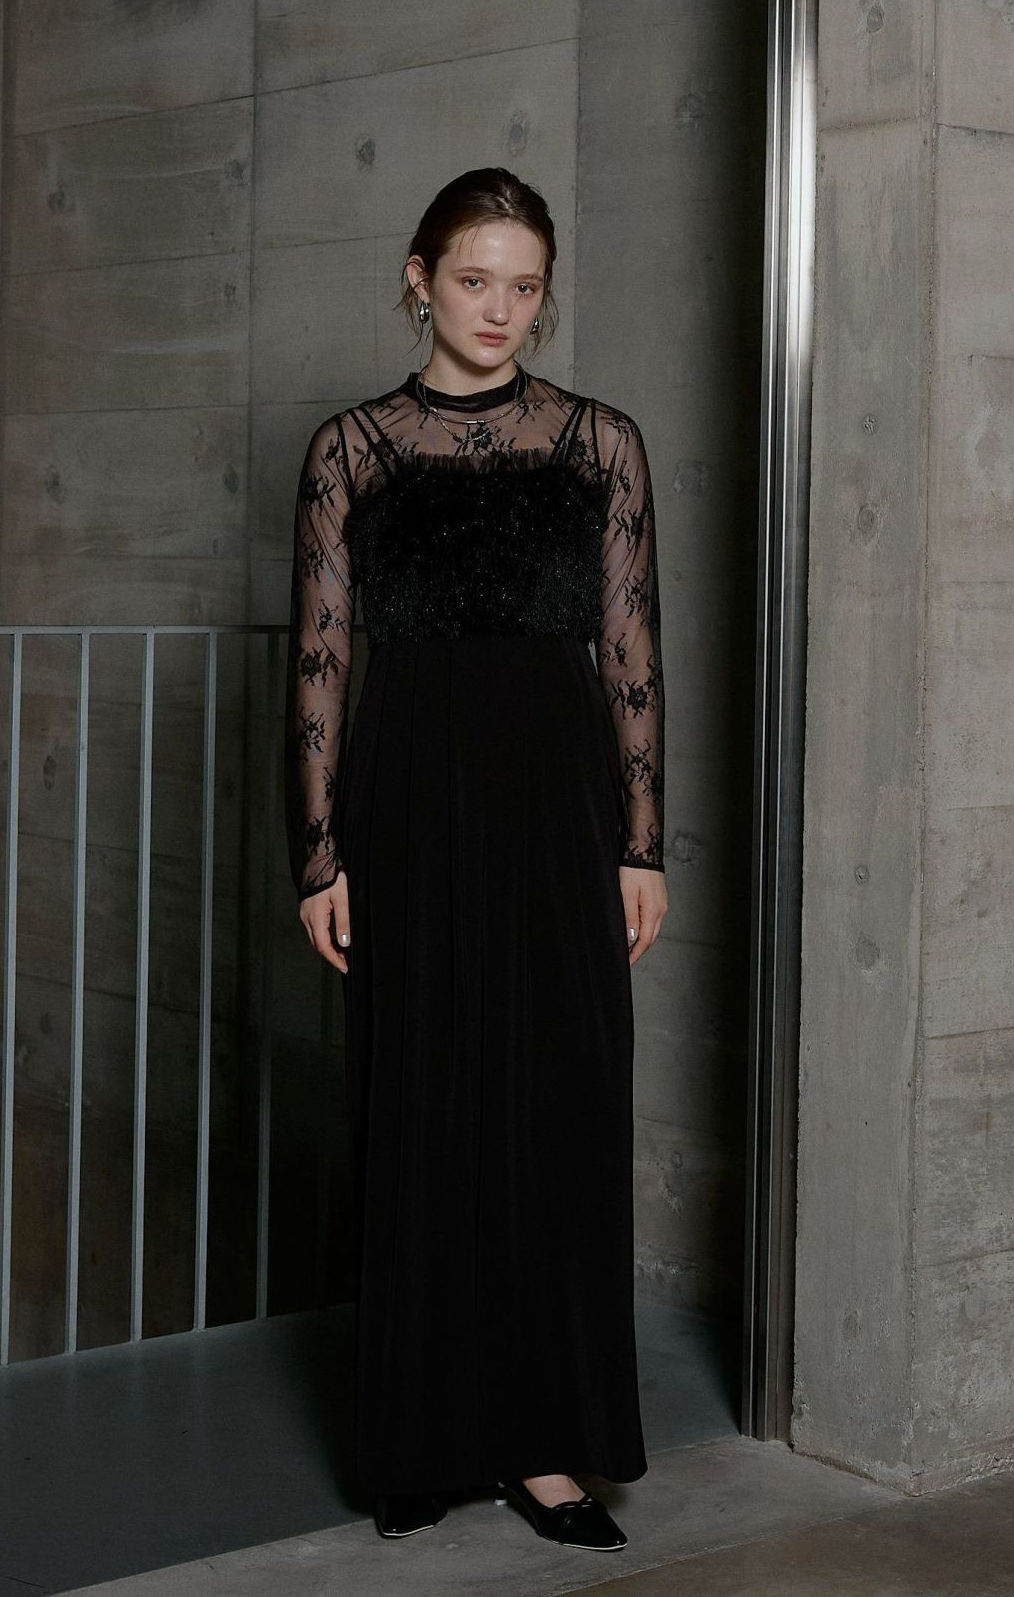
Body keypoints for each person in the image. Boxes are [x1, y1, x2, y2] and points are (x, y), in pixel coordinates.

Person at [284, 166, 667, 1553]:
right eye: (473, 279)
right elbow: (321, 660)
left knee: (561, 1112)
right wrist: (318, 854)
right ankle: (424, 1435)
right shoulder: (353, 450)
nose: (500, 309)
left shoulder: (601, 443)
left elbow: (631, 648)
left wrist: (642, 841)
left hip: (562, 807)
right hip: (408, 806)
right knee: (422, 1106)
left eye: (524, 286)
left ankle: (549, 1447)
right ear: (418, 278)